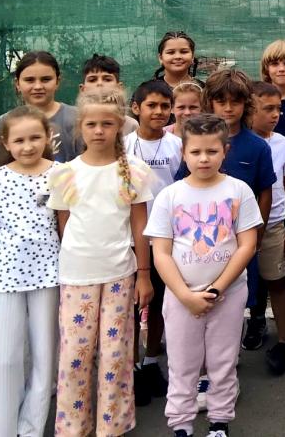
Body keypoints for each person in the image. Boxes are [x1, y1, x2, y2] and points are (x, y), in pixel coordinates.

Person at [145, 112, 262, 437]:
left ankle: (219, 423)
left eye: (212, 151)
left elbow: (247, 245)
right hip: (180, 297)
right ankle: (181, 425)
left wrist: (216, 289)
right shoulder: (170, 196)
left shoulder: (239, 191)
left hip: (228, 296)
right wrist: (185, 295)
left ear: (225, 151)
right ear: (183, 152)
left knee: (223, 363)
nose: (204, 158)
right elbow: (161, 252)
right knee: (182, 365)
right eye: (195, 151)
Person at [48, 89, 154, 437]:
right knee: (75, 354)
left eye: (107, 124)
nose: (98, 130)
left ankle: (113, 425)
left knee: (115, 354)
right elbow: (64, 223)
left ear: (119, 126)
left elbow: (139, 225)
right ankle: (72, 427)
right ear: (80, 126)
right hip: (76, 276)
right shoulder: (65, 173)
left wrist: (143, 274)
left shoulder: (133, 172)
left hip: (120, 274)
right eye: (91, 124)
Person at [0, 106, 59, 437]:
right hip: (4, 278)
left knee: (45, 357)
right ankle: (4, 430)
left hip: (50, 276)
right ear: (6, 143)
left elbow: (68, 226)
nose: (28, 146)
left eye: (35, 137)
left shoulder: (61, 174)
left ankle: (31, 428)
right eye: (19, 140)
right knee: (3, 358)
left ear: (48, 137)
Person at [175, 69, 275, 358]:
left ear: (246, 104)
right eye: (221, 101)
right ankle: (200, 356)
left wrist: (258, 232)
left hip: (240, 238)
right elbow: (181, 186)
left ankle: (238, 342)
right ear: (210, 102)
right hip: (200, 239)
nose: (228, 108)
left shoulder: (257, 146)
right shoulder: (196, 142)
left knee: (239, 290)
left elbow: (265, 190)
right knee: (203, 289)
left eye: (235, 101)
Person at [125, 79, 182, 404]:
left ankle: (150, 361)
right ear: (136, 108)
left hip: (167, 239)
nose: (158, 111)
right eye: (151, 105)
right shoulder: (123, 146)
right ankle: (131, 367)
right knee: (132, 306)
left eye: (164, 106)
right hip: (130, 238)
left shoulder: (177, 146)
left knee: (160, 303)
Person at [248, 80, 285, 377]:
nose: (275, 114)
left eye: (278, 108)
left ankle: (283, 340)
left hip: (274, 225)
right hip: (238, 229)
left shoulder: (284, 144)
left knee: (277, 282)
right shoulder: (235, 142)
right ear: (250, 109)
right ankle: (248, 329)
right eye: (267, 108)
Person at [0, 51, 79, 170]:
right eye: (29, 80)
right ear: (17, 84)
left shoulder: (78, 119)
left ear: (57, 82)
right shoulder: (1, 125)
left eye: (46, 79)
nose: (38, 86)